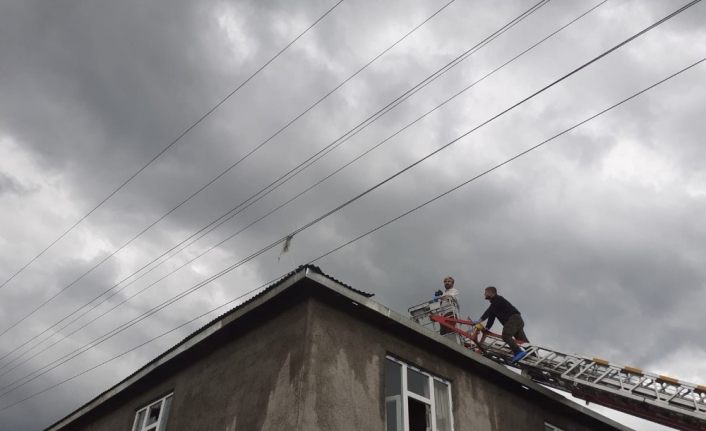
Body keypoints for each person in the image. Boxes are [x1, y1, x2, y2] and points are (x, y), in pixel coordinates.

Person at [473, 286, 529, 362]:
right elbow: (491, 317)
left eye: (485, 292)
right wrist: (487, 328)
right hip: (517, 321)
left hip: (513, 319)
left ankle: (518, 352)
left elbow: (488, 311)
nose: (484, 294)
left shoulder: (498, 299)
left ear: (491, 292)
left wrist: (479, 320)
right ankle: (531, 354)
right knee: (523, 342)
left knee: (506, 335)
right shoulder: (494, 305)